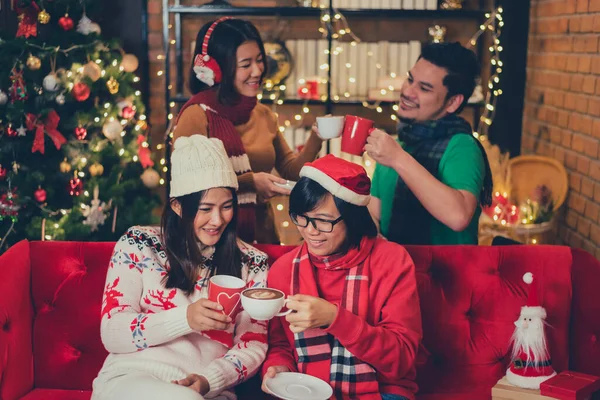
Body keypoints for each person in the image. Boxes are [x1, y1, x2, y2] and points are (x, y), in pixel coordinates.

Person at [92, 135, 270, 400]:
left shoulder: (252, 262)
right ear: (177, 206)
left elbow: (252, 345)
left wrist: (209, 380)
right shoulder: (139, 244)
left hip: (204, 391)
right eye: (205, 209)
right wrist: (185, 319)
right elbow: (112, 332)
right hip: (132, 379)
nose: (217, 220)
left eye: (227, 207)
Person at [261, 154, 422, 400]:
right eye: (301, 218)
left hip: (382, 390)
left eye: (324, 221)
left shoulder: (391, 261)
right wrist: (279, 367)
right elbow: (282, 345)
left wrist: (335, 319)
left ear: (352, 218)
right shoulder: (284, 269)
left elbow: (401, 360)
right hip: (309, 389)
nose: (310, 231)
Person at [173, 17, 324, 244]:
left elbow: (291, 171)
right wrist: (250, 182)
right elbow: (190, 189)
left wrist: (317, 136)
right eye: (246, 64)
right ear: (218, 70)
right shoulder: (196, 115)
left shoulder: (262, 113)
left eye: (260, 60)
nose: (258, 71)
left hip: (262, 236)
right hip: (213, 242)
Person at [365, 42, 493, 245]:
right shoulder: (399, 145)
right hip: (397, 271)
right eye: (410, 79)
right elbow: (374, 214)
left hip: (447, 274)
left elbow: (458, 216)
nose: (408, 91)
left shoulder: (462, 147)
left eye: (424, 88)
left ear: (453, 103)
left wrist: (398, 158)